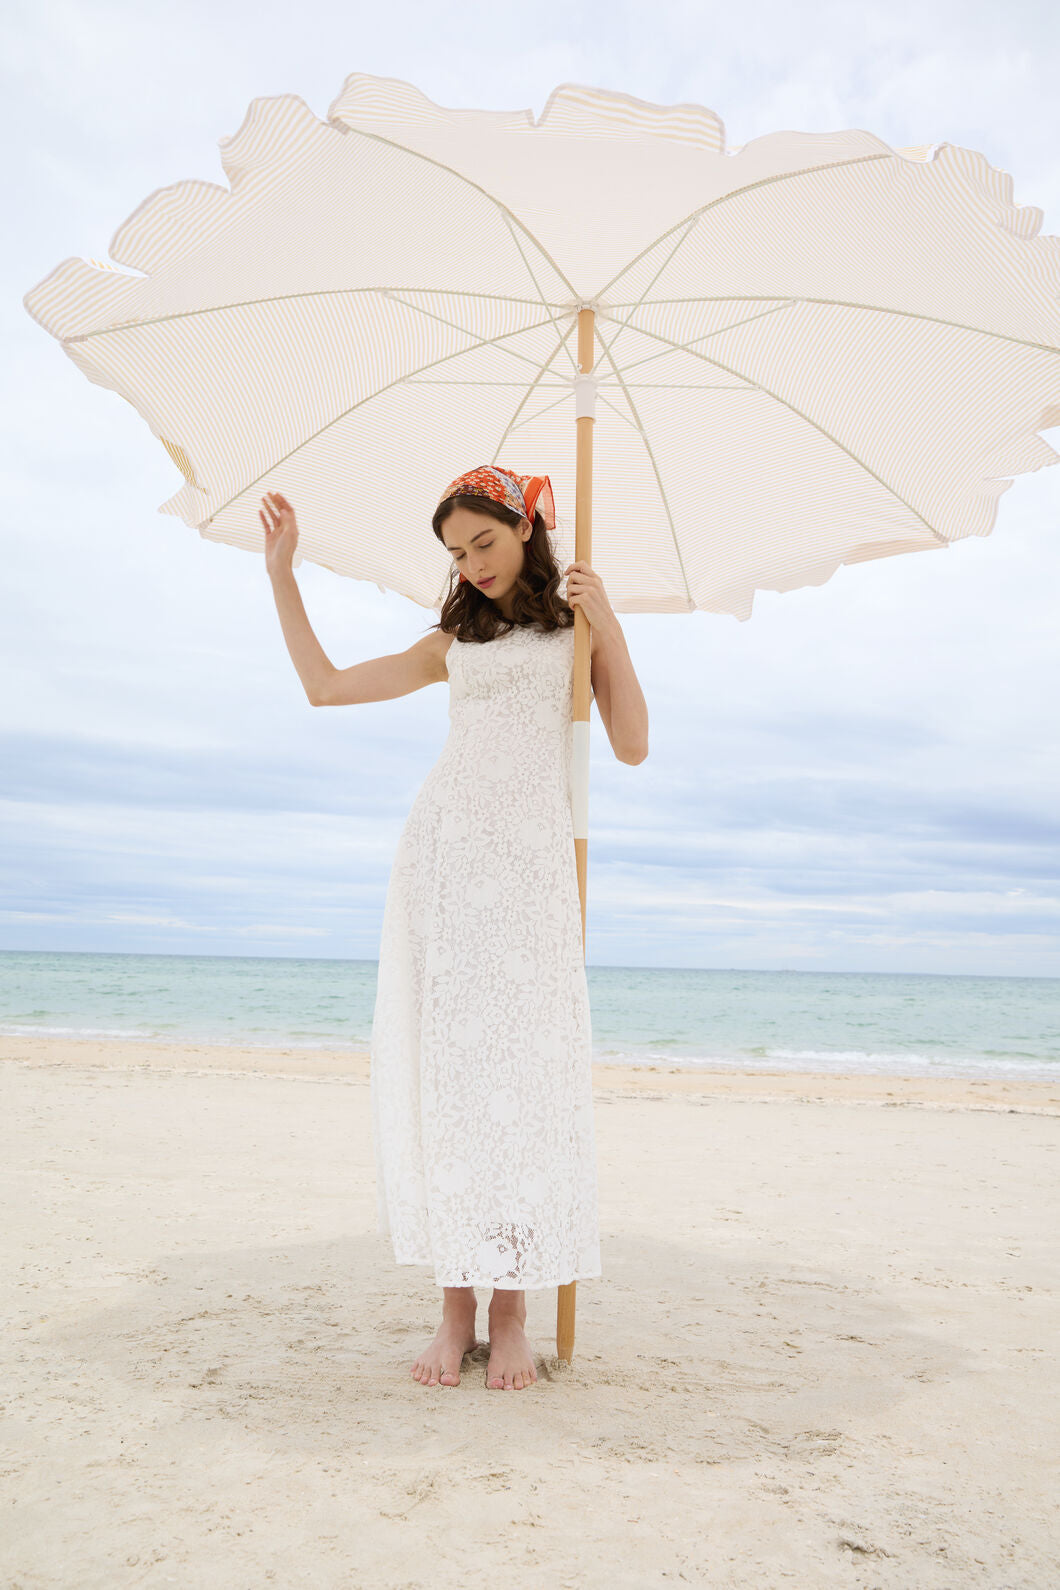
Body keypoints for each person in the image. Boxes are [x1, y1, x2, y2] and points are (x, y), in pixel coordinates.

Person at [261, 468, 649, 1391]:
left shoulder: (575, 627)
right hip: (444, 864)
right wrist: (282, 573)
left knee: (520, 1085)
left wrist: (615, 629)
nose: (472, 564)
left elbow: (631, 743)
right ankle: (454, 1310)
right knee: (452, 1079)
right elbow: (324, 688)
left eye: (485, 542)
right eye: (456, 552)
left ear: (527, 528)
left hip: (531, 881)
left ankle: (511, 1311)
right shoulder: (452, 642)